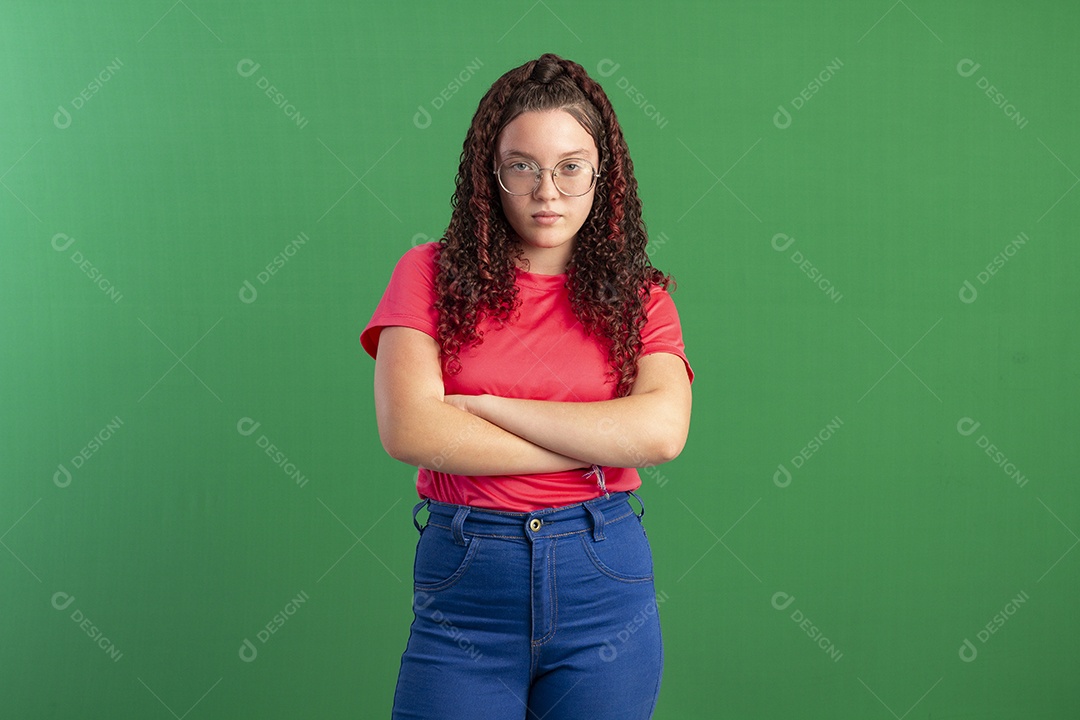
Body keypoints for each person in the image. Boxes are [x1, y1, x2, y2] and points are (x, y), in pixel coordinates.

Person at [360, 52, 693, 720]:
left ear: (604, 175)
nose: (548, 192)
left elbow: (659, 433)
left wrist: (487, 408)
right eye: (523, 167)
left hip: (604, 579)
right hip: (467, 583)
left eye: (571, 168)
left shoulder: (641, 297)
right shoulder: (425, 274)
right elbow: (412, 432)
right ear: (492, 173)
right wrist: (597, 443)